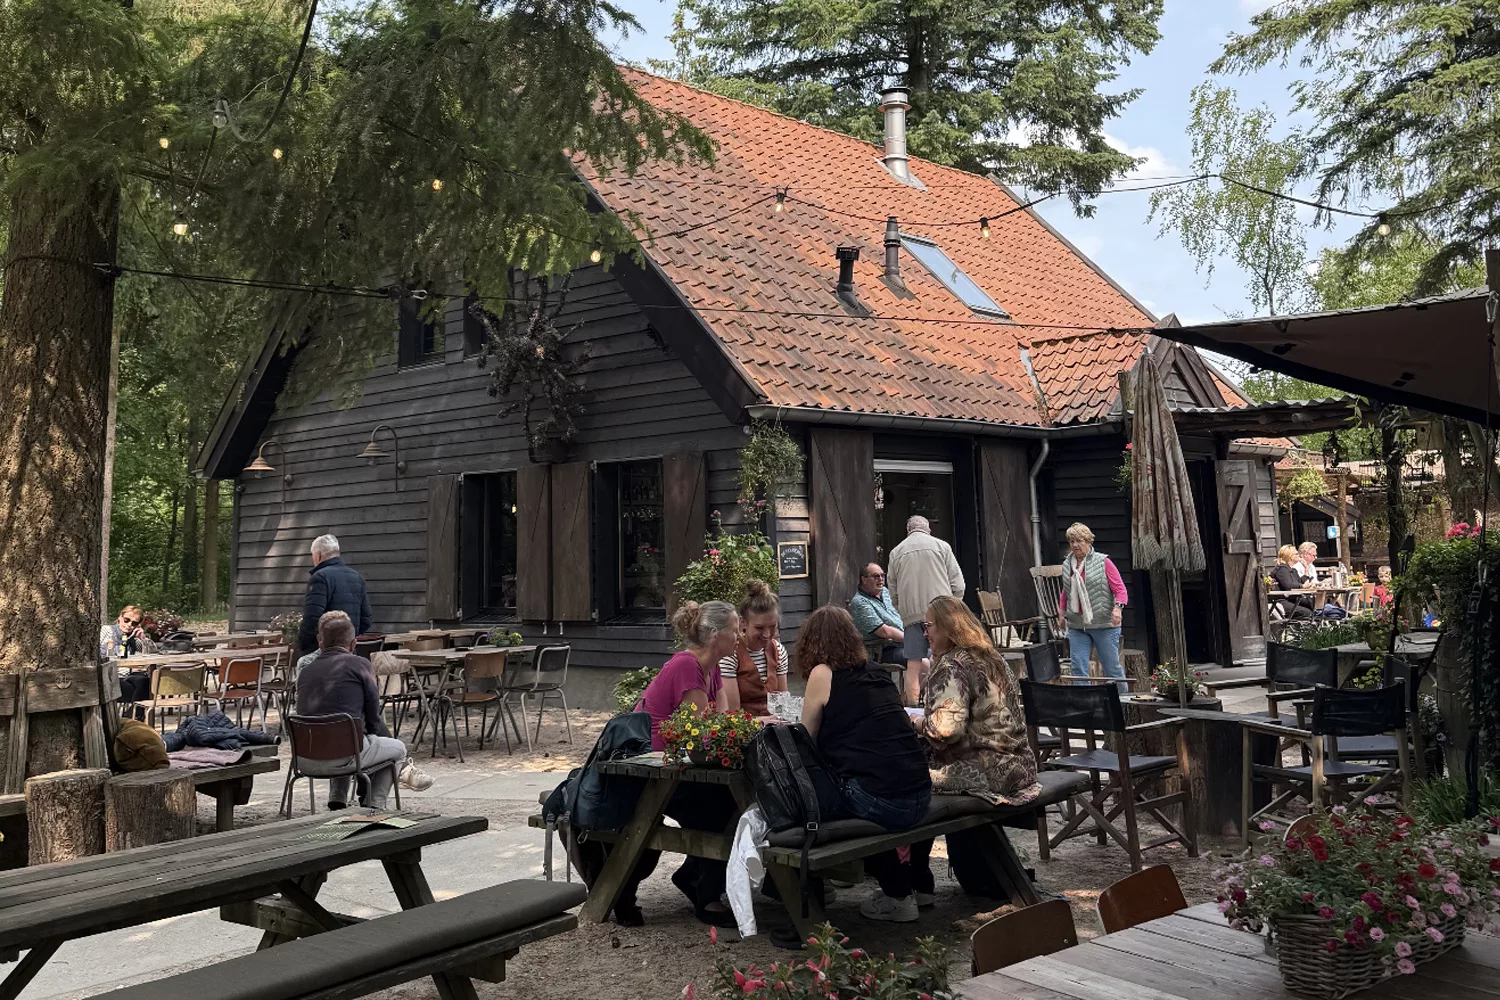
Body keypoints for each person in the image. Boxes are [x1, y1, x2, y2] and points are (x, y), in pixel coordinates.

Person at [799, 605, 931, 923]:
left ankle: (888, 893)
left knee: (812, 800)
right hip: (921, 792)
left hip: (884, 801)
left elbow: (804, 742)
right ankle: (913, 884)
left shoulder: (822, 673)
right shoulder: (877, 672)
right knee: (868, 779)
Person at [911, 595, 1042, 904]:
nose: (925, 633)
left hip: (985, 772)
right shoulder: (990, 655)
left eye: (928, 626)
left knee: (909, 783)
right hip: (1019, 766)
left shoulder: (951, 665)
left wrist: (915, 723)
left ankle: (911, 884)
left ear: (947, 628)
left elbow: (946, 729)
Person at [628, 600, 742, 928]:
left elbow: (719, 724)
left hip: (681, 765)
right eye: (734, 630)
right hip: (656, 772)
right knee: (722, 809)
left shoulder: (713, 667)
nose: (739, 636)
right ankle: (705, 894)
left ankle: (694, 877)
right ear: (715, 635)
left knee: (732, 803)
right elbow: (699, 734)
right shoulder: (687, 667)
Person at [294, 611, 408, 809]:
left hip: (306, 759)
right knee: (396, 749)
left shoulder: (305, 672)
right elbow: (374, 715)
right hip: (347, 755)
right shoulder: (361, 665)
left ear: (320, 643)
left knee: (339, 734)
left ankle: (337, 799)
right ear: (353, 644)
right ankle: (374, 805)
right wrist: (370, 731)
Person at [887, 515, 965, 705]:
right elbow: (959, 584)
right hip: (941, 615)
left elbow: (893, 592)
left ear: (908, 530)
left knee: (913, 667)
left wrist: (903, 612)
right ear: (928, 529)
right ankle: (945, 705)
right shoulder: (942, 546)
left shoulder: (896, 553)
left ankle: (913, 711)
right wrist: (952, 609)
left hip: (912, 617)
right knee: (946, 660)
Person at [1056, 523, 1128, 690]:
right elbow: (1066, 591)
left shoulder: (1104, 562)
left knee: (1111, 669)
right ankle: (1085, 704)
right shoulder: (1068, 564)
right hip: (1077, 625)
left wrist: (1117, 608)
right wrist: (1061, 612)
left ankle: (1124, 704)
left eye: (1079, 540)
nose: (1075, 545)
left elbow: (1120, 589)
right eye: (1071, 541)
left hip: (1104, 624)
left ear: (1088, 541)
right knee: (1078, 668)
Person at [719, 579, 788, 715]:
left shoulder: (778, 651)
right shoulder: (730, 655)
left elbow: (783, 703)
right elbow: (732, 713)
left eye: (773, 626)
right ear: (743, 623)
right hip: (743, 730)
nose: (767, 634)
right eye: (759, 628)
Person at [297, 534, 374, 656]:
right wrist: (348, 638)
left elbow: (312, 618)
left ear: (318, 555)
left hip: (323, 652)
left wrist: (302, 645)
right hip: (349, 651)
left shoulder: (320, 577)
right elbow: (366, 619)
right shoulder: (356, 577)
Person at [101, 605, 159, 714]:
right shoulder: (107, 630)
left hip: (126, 678)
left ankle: (133, 718)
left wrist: (143, 638)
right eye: (126, 620)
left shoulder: (133, 639)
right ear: (120, 617)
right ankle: (135, 718)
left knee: (145, 682)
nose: (129, 625)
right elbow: (103, 656)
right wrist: (130, 669)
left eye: (134, 623)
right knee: (143, 689)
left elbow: (152, 653)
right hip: (108, 678)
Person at [849, 563, 906, 665]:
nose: (881, 579)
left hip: (899, 644)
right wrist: (910, 639)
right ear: (864, 580)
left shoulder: (884, 592)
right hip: (879, 652)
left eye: (882, 575)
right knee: (921, 661)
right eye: (876, 576)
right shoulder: (860, 603)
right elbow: (885, 632)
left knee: (934, 656)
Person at [1271, 545, 1314, 620]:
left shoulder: (1293, 570)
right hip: (1281, 601)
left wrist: (1306, 568)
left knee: (1314, 607)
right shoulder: (1282, 569)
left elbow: (1301, 583)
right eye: (1296, 554)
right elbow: (1289, 586)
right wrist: (1303, 586)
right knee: (1307, 612)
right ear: (1290, 556)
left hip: (1293, 599)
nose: (1299, 555)